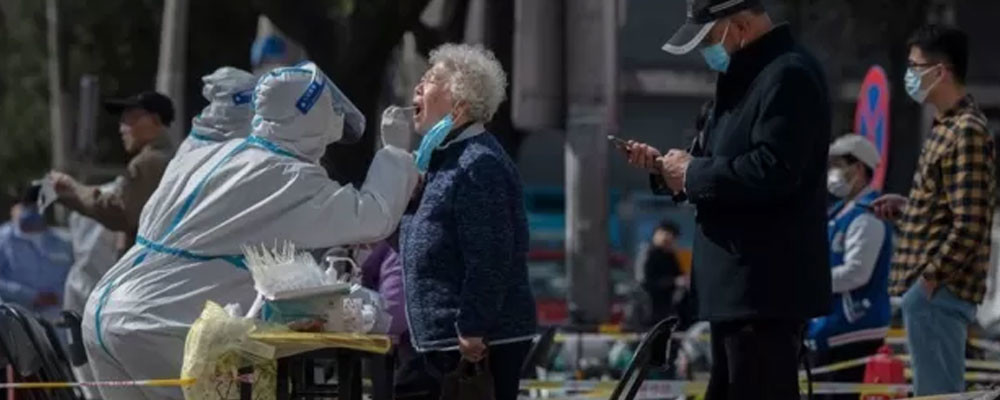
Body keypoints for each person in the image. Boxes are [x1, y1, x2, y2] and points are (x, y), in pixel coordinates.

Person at [81, 61, 419, 400]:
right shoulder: (289, 177)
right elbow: (374, 217)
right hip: (157, 324)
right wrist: (395, 152)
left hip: (103, 312)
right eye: (328, 107)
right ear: (311, 114)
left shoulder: (217, 154)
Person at [624, 1, 832, 398]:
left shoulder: (788, 75)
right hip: (735, 293)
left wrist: (693, 172)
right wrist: (667, 170)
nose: (708, 50)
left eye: (710, 37)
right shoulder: (747, 78)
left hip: (763, 290)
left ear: (739, 26)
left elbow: (773, 169)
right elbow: (716, 164)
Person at [400, 43, 537, 400]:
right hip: (442, 340)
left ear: (459, 105)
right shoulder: (441, 160)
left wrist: (472, 326)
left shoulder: (478, 164)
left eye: (430, 81)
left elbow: (491, 255)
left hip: (472, 344)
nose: (418, 87)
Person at [871, 25, 996, 396]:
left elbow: (970, 223)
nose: (909, 75)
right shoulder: (946, 127)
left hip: (939, 292)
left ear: (940, 71)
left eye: (915, 66)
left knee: (938, 394)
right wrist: (911, 208)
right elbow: (952, 206)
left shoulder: (966, 131)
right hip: (930, 291)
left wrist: (929, 279)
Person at [808, 134, 893, 400]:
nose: (832, 173)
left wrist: (809, 282)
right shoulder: (841, 213)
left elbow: (857, 272)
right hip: (831, 328)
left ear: (858, 169)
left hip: (854, 329)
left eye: (837, 164)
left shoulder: (867, 216)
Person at [50, 91, 176, 255]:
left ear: (155, 120)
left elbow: (119, 212)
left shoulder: (148, 162)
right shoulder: (173, 157)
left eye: (130, 119)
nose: (122, 128)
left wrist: (73, 189)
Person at [0, 186, 74, 321]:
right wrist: (32, 296)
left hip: (56, 323)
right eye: (29, 205)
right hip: (15, 321)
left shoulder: (64, 242)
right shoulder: (4, 240)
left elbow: (74, 278)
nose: (34, 210)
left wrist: (57, 296)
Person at [175, 67, 256, 155]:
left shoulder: (252, 132)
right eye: (248, 97)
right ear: (222, 100)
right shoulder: (195, 147)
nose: (255, 103)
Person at [636, 219, 684, 327]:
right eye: (665, 234)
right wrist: (672, 282)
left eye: (672, 236)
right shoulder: (648, 253)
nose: (668, 238)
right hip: (649, 308)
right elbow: (644, 281)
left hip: (666, 309)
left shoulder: (670, 256)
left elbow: (679, 275)